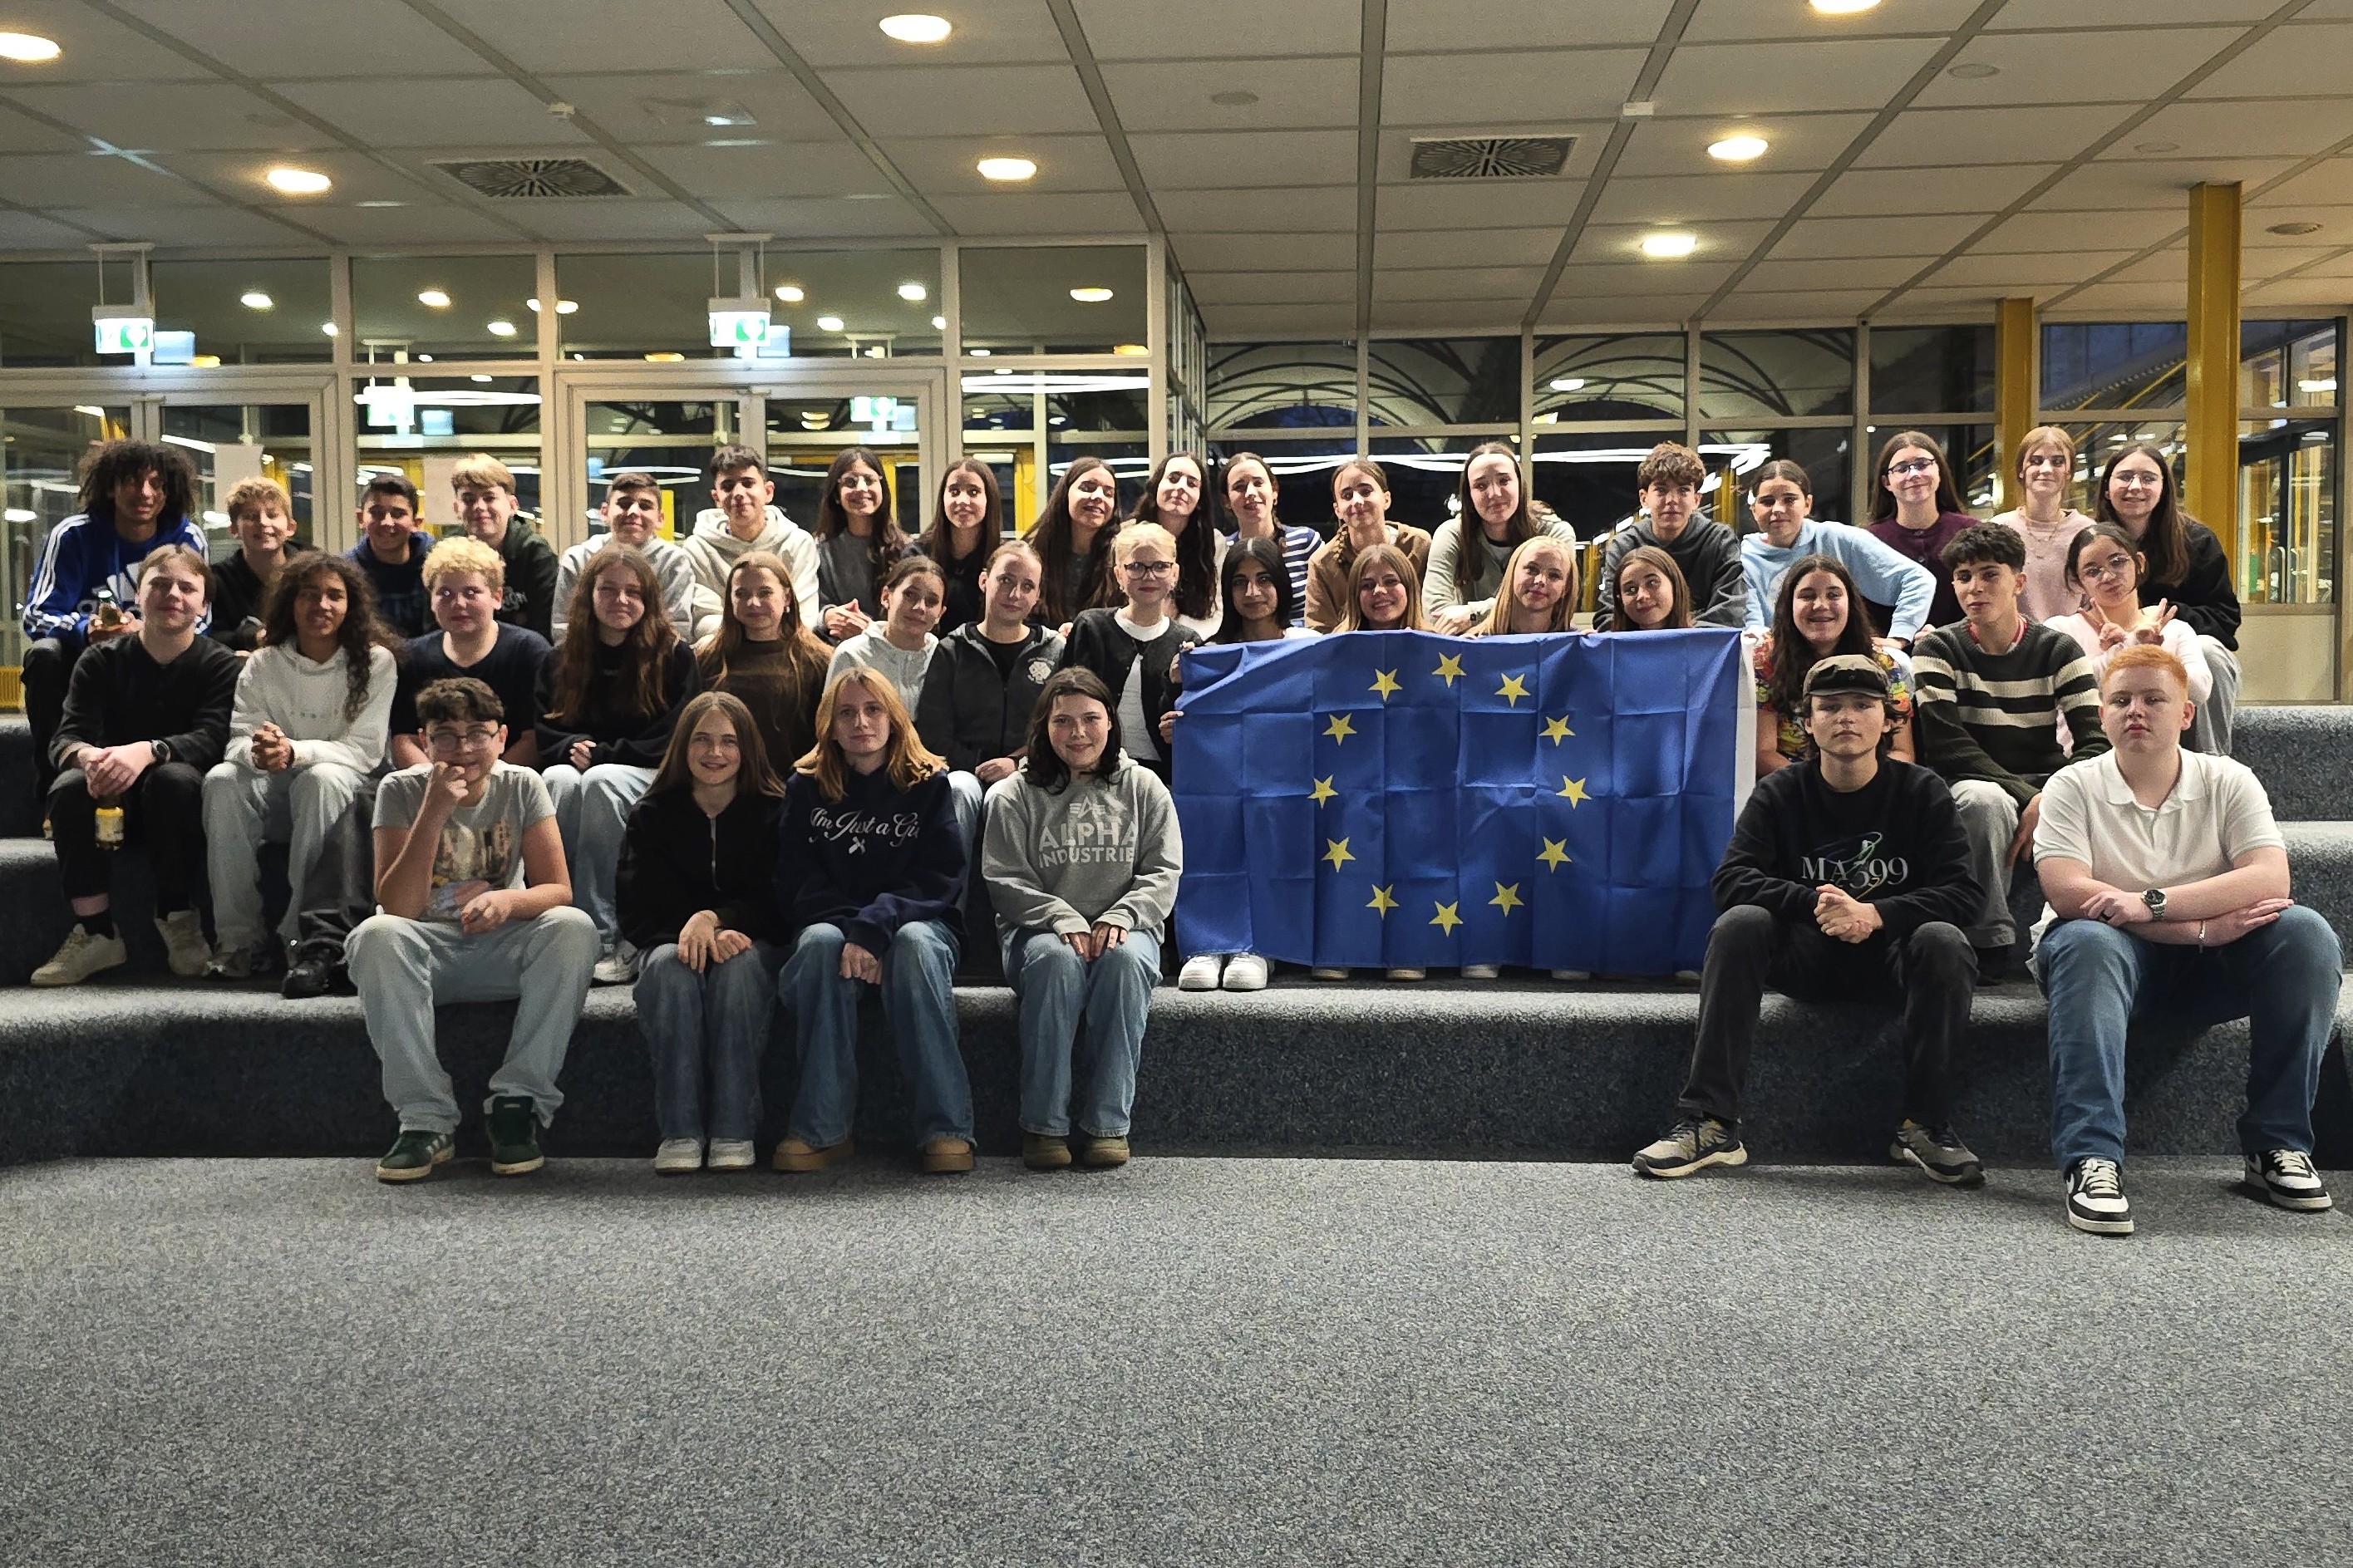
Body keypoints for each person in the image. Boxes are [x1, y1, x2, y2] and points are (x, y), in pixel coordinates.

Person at [1631, 656, 1982, 1183]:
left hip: (1891, 961)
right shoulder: (1780, 791)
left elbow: (1964, 895)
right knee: (1740, 923)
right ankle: (1711, 1121)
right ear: (1808, 722)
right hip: (1806, 958)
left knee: (1944, 940)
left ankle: (1925, 1125)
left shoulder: (1922, 790)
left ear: (1887, 719)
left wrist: (1875, 914)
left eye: (1862, 705)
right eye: (1830, 707)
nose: (1846, 718)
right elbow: (1731, 880)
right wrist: (1816, 905)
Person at [2035, 644, 2337, 1235]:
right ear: (2101, 714)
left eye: (2154, 699)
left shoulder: (2228, 779)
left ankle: (2276, 1145)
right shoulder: (2072, 784)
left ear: (2186, 713)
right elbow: (2069, 892)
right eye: (2120, 700)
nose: (2135, 711)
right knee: (2085, 940)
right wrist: (2201, 927)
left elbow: (2268, 879)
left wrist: (2151, 904)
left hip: (2208, 967)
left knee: (2305, 934)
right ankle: (2091, 1159)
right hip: (2106, 965)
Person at [350, 676, 599, 1183]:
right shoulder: (400, 789)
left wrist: (508, 899)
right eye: (446, 735)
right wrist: (433, 809)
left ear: (501, 737)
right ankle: (424, 1119)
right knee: (376, 935)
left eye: (477, 734)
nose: (463, 749)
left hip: (498, 947)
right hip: (426, 952)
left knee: (573, 928)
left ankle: (518, 1102)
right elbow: (396, 905)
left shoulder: (522, 785)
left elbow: (558, 890)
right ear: (425, 741)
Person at [773, 668, 973, 1176]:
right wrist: (857, 931)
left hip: (918, 922)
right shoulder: (805, 786)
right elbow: (796, 882)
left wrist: (875, 927)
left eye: (873, 710)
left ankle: (946, 1128)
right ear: (829, 725)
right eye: (847, 713)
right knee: (818, 943)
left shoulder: (928, 784)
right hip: (835, 925)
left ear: (894, 717)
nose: (861, 722)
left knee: (914, 945)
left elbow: (939, 880)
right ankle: (822, 1129)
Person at [983, 667, 1184, 1172]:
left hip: (1127, 927)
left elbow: (1163, 872)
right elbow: (1005, 879)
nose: (1078, 733)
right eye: (1063, 721)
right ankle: (1044, 1125)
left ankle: (1108, 1124)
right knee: (1057, 963)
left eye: (1091, 719)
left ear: (1111, 722)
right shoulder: (1013, 794)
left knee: (1124, 962)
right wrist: (1060, 917)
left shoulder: (1145, 787)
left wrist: (1123, 914)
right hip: (1040, 933)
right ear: (1043, 727)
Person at [32, 545, 239, 986]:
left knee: (174, 779)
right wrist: (89, 758)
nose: (173, 595)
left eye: (187, 588)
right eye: (159, 585)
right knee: (68, 787)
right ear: (138, 596)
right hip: (110, 799)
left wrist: (148, 750)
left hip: (180, 806)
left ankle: (178, 915)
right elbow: (66, 736)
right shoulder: (99, 659)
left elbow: (213, 737)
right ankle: (96, 932)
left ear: (204, 605)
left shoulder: (220, 664)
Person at [1909, 523, 2107, 983]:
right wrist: (2030, 798)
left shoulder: (2058, 648)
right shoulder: (1938, 647)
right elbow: (1947, 746)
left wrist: (2051, 795)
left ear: (2018, 582)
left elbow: (2095, 742)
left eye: (1989, 574)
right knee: (1986, 802)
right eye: (1963, 577)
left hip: (2045, 781)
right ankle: (1988, 939)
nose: (1974, 587)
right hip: (1968, 781)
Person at [201, 553, 399, 980]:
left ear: (350, 605)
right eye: (309, 595)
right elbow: (238, 739)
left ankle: (302, 936)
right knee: (221, 780)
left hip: (339, 797)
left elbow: (364, 752)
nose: (321, 605)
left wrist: (293, 751)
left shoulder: (376, 662)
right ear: (290, 602)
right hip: (275, 790)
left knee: (319, 779)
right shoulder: (264, 663)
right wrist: (259, 752)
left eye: (334, 596)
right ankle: (238, 940)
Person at [618, 691, 784, 1177]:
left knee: (738, 969)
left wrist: (721, 919)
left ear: (747, 748)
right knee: (669, 969)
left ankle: (734, 1126)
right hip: (671, 940)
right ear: (682, 746)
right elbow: (636, 909)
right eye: (702, 740)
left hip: (752, 941)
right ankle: (680, 1129)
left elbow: (782, 901)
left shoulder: (775, 810)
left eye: (729, 741)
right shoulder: (651, 814)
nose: (715, 753)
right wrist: (691, 929)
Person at [538, 546, 697, 985]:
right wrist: (571, 747)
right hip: (584, 768)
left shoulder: (674, 656)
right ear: (588, 595)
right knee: (557, 780)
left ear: (649, 600)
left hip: (648, 771)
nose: (620, 600)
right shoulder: (560, 658)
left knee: (601, 782)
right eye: (608, 590)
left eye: (633, 592)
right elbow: (546, 729)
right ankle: (556, 924)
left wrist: (606, 753)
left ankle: (606, 935)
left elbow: (675, 735)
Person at [21, 439, 209, 804]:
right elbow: (37, 614)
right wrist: (86, 629)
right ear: (110, 487)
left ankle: (174, 785)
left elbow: (201, 621)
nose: (145, 493)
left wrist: (148, 632)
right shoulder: (73, 534)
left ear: (168, 492)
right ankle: (53, 789)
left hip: (158, 659)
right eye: (132, 482)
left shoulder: (187, 537)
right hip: (87, 664)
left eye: (156, 484)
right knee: (43, 655)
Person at [916, 539, 1065, 855]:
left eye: (1027, 586)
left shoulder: (1055, 651)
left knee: (1016, 793)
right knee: (958, 789)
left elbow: (1063, 726)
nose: (1015, 594)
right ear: (984, 581)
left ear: (1038, 595)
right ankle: (953, 888)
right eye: (1006, 580)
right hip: (965, 772)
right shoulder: (952, 650)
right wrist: (980, 765)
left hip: (1033, 771)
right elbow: (932, 733)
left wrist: (1019, 763)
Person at [2095, 441, 2241, 755]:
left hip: (2177, 650)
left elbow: (2225, 621)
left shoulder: (2197, 540)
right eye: (2125, 477)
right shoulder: (2089, 541)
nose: (2136, 486)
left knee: (2210, 652)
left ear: (2164, 488)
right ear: (2107, 488)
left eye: (2148, 478)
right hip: (2109, 647)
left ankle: (2210, 763)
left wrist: (2162, 618)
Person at [387, 538, 550, 772]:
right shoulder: (413, 657)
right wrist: (438, 781)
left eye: (471, 592)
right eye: (445, 593)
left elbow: (534, 739)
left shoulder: (529, 651)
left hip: (508, 780)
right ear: (431, 601)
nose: (458, 603)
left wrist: (483, 782)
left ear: (497, 597)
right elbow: (405, 739)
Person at [1737, 460, 1935, 644]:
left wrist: (1899, 637)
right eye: (1767, 501)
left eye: (1789, 499)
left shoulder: (1838, 539)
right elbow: (1753, 629)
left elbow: (1917, 580)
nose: (1778, 509)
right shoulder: (1742, 560)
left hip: (1844, 660)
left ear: (1807, 504)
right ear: (1754, 509)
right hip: (1779, 661)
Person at [1058, 523, 1199, 780]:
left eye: (1160, 566)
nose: (1149, 576)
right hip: (1092, 772)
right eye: (1135, 567)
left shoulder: (1187, 642)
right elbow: (1064, 703)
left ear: (1174, 573)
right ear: (1118, 574)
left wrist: (1175, 684)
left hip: (1163, 778)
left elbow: (1188, 724)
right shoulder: (1090, 627)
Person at [1755, 555, 1915, 778]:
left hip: (1871, 783)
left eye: (1833, 595)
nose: (1820, 605)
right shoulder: (1765, 660)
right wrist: (1819, 786)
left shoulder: (1882, 664)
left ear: (1851, 602)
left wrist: (1861, 785)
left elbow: (1902, 752)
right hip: (1795, 785)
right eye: (1807, 596)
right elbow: (1763, 754)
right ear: (1788, 604)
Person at [2044, 522, 2212, 715]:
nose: (2108, 576)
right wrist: (2128, 647)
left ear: (2139, 563)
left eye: (2117, 562)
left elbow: (2199, 691)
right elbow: (2066, 688)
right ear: (2078, 583)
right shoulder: (2060, 631)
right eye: (2093, 571)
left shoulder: (2175, 630)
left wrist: (2151, 654)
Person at [694, 549, 831, 785]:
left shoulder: (820, 660)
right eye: (741, 594)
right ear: (730, 600)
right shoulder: (707, 658)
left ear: (786, 597)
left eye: (765, 592)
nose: (753, 603)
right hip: (722, 788)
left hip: (794, 788)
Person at [1428, 442, 1578, 635]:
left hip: (1538, 642)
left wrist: (1474, 614)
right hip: (1471, 647)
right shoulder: (1452, 534)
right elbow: (1437, 615)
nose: (1494, 494)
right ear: (1469, 495)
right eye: (1481, 486)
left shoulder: (1554, 533)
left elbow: (1557, 601)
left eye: (1504, 481)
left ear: (1520, 485)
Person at [1596, 442, 1745, 630]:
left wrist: (1670, 634)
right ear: (1644, 498)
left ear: (1696, 500)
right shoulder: (1624, 546)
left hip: (1701, 646)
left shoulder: (1719, 540)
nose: (1672, 500)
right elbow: (1608, 615)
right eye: (1661, 490)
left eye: (1683, 490)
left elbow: (1730, 612)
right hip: (1640, 646)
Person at [682, 445, 822, 642]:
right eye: (728, 486)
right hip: (726, 647)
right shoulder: (697, 549)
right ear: (716, 498)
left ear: (768, 492)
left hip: (785, 646)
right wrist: (754, 637)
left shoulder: (799, 543)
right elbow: (704, 620)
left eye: (748, 483)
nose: (738, 493)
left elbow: (805, 616)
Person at [551, 470, 697, 642]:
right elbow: (563, 629)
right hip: (587, 656)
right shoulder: (577, 559)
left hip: (655, 657)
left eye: (645, 506)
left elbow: (677, 629)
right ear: (604, 512)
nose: (634, 511)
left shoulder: (674, 562)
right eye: (624, 504)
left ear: (660, 519)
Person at [1303, 459, 1434, 634]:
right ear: (1337, 510)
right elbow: (1318, 632)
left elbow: (1434, 611)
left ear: (1386, 499)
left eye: (1366, 492)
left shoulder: (1418, 545)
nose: (1357, 501)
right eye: (1347, 496)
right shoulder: (1322, 563)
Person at [1864, 431, 1976, 632]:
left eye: (1922, 464)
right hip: (1890, 650)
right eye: (1901, 469)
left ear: (1939, 471)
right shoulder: (1868, 541)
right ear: (1886, 482)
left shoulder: (1972, 532)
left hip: (1961, 649)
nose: (1914, 475)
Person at [1991, 425, 2096, 623]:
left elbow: (2094, 601)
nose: (2046, 469)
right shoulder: (1998, 529)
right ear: (2021, 470)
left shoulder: (2087, 531)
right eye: (2036, 461)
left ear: (2069, 472)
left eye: (2057, 462)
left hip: (2071, 640)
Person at [449, 454, 559, 642]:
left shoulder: (536, 555)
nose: (479, 506)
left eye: (489, 497)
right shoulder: (445, 555)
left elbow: (543, 632)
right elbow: (435, 628)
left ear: (512, 505)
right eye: (468, 499)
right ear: (456, 508)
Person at [811, 445, 908, 643]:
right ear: (836, 494)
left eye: (869, 480)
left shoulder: (907, 549)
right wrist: (829, 616)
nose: (861, 489)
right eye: (850, 482)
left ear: (882, 488)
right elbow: (809, 605)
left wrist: (870, 629)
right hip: (833, 649)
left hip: (891, 648)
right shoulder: (817, 549)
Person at [207, 475, 310, 654]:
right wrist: (253, 637)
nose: (262, 522)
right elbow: (210, 636)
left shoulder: (314, 570)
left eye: (272, 515)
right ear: (233, 530)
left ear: (291, 527)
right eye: (251, 516)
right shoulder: (217, 579)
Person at [1131, 451, 1224, 638]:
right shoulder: (1127, 535)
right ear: (1156, 486)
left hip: (1192, 642)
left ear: (1200, 500)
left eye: (1192, 483)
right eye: (1173, 479)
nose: (1181, 487)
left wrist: (1175, 631)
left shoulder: (1214, 542)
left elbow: (1218, 613)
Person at [827, 554, 944, 703]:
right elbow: (832, 715)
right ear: (885, 597)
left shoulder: (944, 660)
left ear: (940, 613)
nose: (920, 607)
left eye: (931, 601)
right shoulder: (851, 655)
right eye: (910, 594)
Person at [1026, 455, 1123, 627]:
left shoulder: (1121, 557)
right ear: (1066, 494)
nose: (1098, 496)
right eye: (1087, 488)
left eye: (1108, 493)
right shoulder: (1033, 553)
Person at [1220, 451, 1319, 618]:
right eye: (1239, 487)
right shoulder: (1221, 551)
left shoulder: (1306, 542)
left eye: (1258, 483)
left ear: (1274, 491)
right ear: (1226, 501)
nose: (1250, 493)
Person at [910, 457, 1001, 634]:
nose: (962, 500)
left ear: (989, 499)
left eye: (973, 492)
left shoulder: (1003, 559)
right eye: (954, 491)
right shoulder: (916, 555)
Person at [347, 472, 432, 639]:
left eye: (398, 514)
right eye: (376, 513)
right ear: (360, 518)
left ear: (416, 523)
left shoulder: (437, 564)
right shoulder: (346, 572)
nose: (387, 522)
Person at [1208, 535, 1315, 647]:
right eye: (1240, 582)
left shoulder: (1309, 645)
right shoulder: (1213, 653)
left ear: (1281, 584)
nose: (1252, 593)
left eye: (1263, 580)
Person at [1474, 533, 1580, 637]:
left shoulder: (1576, 642)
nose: (1540, 581)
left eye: (1554, 575)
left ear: (1567, 587)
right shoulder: (1476, 640)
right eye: (1532, 569)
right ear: (1512, 572)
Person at [1336, 541, 1430, 633]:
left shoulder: (1433, 641)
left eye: (1390, 581)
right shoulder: (1337, 642)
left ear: (1408, 588)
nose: (1379, 590)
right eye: (1368, 585)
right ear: (1355, 596)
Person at [1607, 544, 1695, 632]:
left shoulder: (1700, 638)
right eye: (1631, 589)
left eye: (1652, 583)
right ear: (1621, 601)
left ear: (1674, 586)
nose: (1642, 596)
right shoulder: (1607, 640)